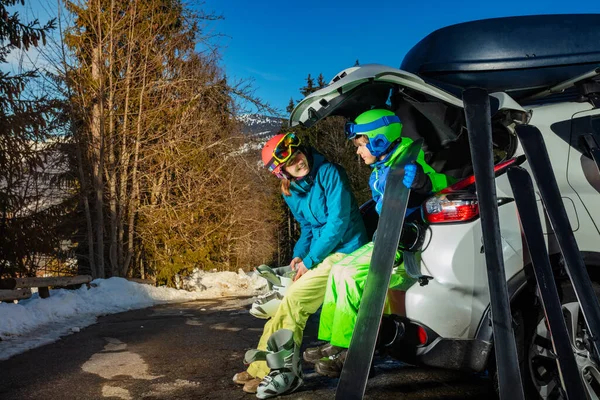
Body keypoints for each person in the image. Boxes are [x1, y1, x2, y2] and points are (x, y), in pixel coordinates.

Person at [303, 108, 455, 377]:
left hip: (405, 240)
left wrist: (423, 181)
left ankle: (353, 347)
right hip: (385, 236)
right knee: (338, 272)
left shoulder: (409, 157)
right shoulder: (380, 167)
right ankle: (334, 339)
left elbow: (444, 183)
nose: (358, 152)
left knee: (350, 275)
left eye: (361, 145)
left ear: (379, 140)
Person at [232, 132, 368, 399]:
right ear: (282, 173)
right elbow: (307, 228)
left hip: (346, 250)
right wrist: (298, 256)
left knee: (295, 300)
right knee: (282, 303)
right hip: (320, 253)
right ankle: (262, 367)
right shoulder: (291, 192)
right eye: (290, 163)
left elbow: (337, 223)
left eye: (298, 156)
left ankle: (287, 373)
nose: (298, 162)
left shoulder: (330, 173)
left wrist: (310, 260)